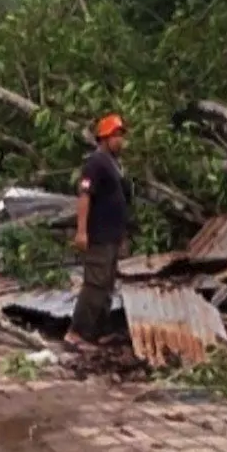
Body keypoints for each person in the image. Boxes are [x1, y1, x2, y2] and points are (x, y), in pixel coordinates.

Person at [65, 113, 131, 350]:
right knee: (94, 284)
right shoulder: (95, 162)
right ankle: (76, 333)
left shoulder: (115, 164)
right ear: (104, 137)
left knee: (107, 285)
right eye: (117, 135)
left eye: (121, 135)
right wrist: (82, 232)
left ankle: (97, 332)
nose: (121, 140)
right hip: (98, 235)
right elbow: (85, 196)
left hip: (113, 236)